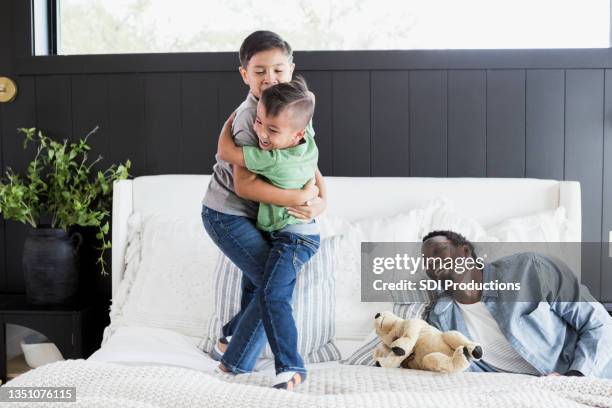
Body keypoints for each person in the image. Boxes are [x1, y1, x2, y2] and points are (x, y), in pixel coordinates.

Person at [201, 31, 326, 390]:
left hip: (268, 218)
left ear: (291, 69)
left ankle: (230, 343)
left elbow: (308, 161)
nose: (270, 79)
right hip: (230, 215)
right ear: (244, 74)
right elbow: (245, 186)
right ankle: (238, 361)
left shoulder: (294, 106)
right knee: (272, 289)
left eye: (277, 70)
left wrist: (320, 199)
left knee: (265, 285)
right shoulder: (248, 121)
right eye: (259, 72)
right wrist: (299, 199)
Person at [421, 230, 612, 378]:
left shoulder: (531, 269)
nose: (432, 261)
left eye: (439, 251)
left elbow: (599, 323)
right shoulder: (441, 318)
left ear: (465, 251)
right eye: (426, 261)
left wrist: (575, 377)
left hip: (592, 374)